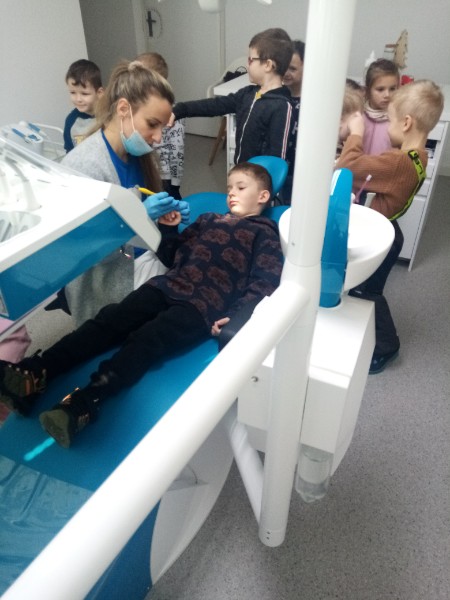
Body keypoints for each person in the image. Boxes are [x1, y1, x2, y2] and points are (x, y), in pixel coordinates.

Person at [0, 162, 283, 448]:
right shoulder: (208, 219)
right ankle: (37, 372)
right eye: (229, 187)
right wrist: (168, 228)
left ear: (263, 196)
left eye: (240, 187)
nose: (231, 193)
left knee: (146, 340)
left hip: (202, 306)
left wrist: (236, 315)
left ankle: (85, 403)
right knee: (108, 321)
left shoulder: (265, 233)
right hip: (167, 285)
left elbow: (265, 281)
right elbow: (171, 256)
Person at [59, 60, 190, 327]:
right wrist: (136, 217)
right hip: (106, 279)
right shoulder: (85, 166)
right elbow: (79, 253)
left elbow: (143, 221)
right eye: (152, 124)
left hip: (138, 259)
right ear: (123, 109)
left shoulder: (136, 155)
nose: (158, 138)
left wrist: (164, 217)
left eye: (162, 128)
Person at [337, 80, 444, 373]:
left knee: (367, 293)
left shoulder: (398, 163)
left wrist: (356, 133)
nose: (387, 128)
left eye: (390, 121)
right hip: (391, 230)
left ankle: (387, 346)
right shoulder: (418, 156)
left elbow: (346, 168)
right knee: (365, 290)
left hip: (381, 238)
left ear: (406, 123)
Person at [169, 28, 294, 165]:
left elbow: (276, 160)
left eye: (250, 60)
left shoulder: (282, 106)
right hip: (241, 171)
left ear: (268, 65)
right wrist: (181, 109)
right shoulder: (247, 94)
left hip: (258, 177)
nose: (247, 65)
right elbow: (214, 106)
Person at [136, 52, 185, 200]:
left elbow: (176, 149)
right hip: (153, 171)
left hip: (164, 174)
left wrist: (175, 180)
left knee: (168, 201)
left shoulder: (170, 112)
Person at [278, 39, 305, 204]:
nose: (286, 73)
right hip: (282, 163)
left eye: (293, 69)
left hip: (302, 167)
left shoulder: (311, 100)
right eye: (284, 67)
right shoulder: (278, 96)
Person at [63, 59, 104, 153]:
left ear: (99, 93)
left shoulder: (110, 115)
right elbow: (70, 153)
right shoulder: (71, 121)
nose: (78, 99)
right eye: (73, 92)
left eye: (84, 94)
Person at [362, 58, 400, 155]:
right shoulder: (358, 115)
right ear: (367, 91)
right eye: (380, 89)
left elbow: (411, 152)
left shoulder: (399, 120)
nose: (387, 95)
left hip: (387, 165)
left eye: (392, 89)